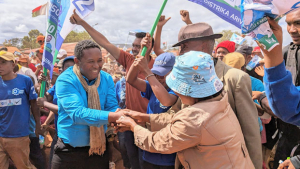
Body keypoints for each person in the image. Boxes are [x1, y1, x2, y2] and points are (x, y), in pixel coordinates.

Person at [153, 11, 262, 169]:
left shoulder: (235, 78)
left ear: (204, 45)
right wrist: (142, 120)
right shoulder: (187, 74)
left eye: (184, 46)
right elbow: (176, 112)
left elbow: (250, 132)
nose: (181, 52)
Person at [116, 51, 255, 169]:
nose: (175, 91)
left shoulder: (195, 119)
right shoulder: (218, 100)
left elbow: (157, 141)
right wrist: (144, 117)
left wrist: (133, 127)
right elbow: (176, 119)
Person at [70, 9, 154, 169]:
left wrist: (161, 28)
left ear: (149, 47)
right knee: (131, 162)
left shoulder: (158, 66)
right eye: (134, 46)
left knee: (146, 163)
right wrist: (82, 23)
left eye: (140, 46)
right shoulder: (130, 60)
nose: (135, 49)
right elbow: (105, 43)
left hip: (149, 124)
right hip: (129, 123)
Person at [51, 40, 123, 169]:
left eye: (99, 60)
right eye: (91, 61)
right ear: (77, 61)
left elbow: (111, 105)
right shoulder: (66, 80)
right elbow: (77, 114)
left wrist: (118, 115)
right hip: (69, 152)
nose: (97, 66)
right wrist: (114, 116)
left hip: (99, 149)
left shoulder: (106, 78)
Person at [127, 47, 178, 168]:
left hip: (168, 154)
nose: (158, 78)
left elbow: (166, 101)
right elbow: (131, 79)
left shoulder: (177, 91)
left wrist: (147, 71)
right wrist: (141, 54)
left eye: (161, 75)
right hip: (149, 150)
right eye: (156, 74)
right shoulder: (152, 87)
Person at [0, 51, 42, 169]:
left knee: (23, 166)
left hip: (18, 136)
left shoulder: (25, 81)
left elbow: (34, 104)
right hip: (1, 134)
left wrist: (38, 125)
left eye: (3, 62)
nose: (0, 66)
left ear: (13, 64)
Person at [38, 56, 75, 169]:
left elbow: (65, 111)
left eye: (73, 67)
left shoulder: (80, 86)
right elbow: (46, 97)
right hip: (60, 134)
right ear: (62, 70)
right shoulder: (59, 84)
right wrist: (42, 85)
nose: (70, 69)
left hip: (75, 135)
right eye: (67, 67)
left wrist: (44, 104)